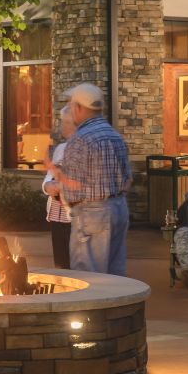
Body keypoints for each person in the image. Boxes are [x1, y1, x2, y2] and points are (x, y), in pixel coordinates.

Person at [47, 83, 131, 276]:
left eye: (71, 104)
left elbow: (71, 189)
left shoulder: (80, 139)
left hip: (91, 213)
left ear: (79, 108)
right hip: (119, 208)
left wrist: (59, 187)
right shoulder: (115, 136)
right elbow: (127, 179)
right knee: (115, 274)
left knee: (88, 275)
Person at [43, 105, 76, 268]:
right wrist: (48, 185)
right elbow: (49, 177)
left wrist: (62, 185)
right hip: (56, 215)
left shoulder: (85, 149)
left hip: (75, 216)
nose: (61, 126)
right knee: (61, 265)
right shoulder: (61, 149)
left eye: (65, 122)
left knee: (76, 266)